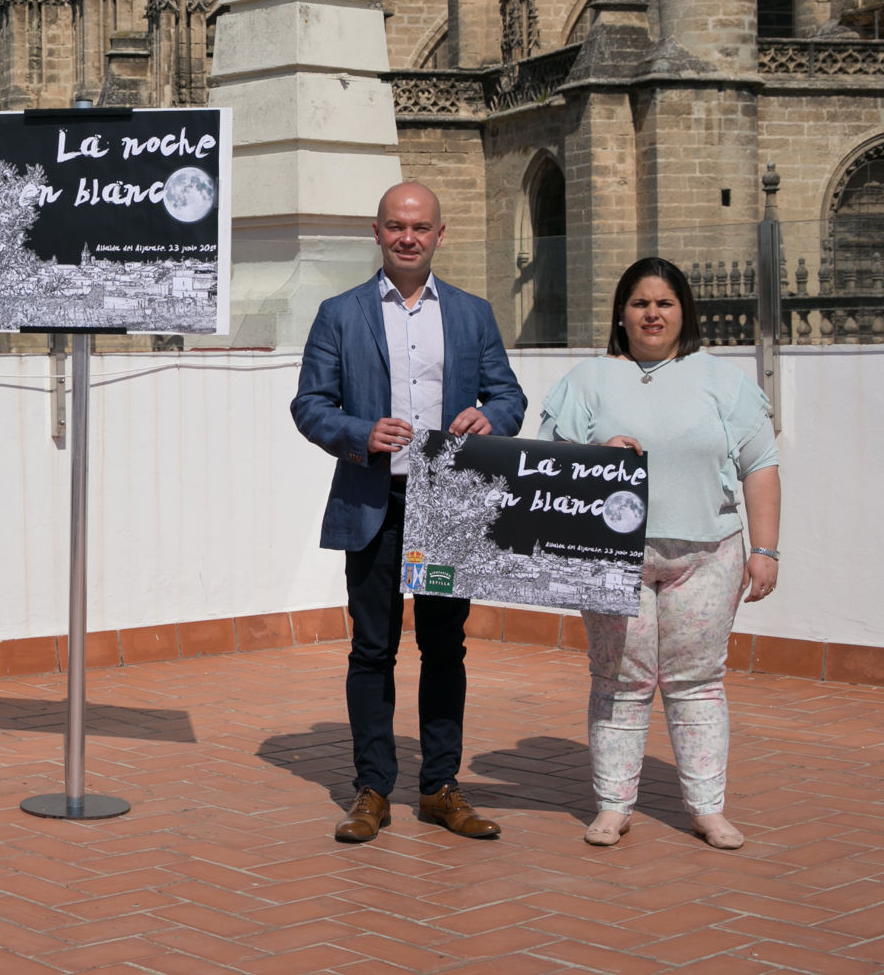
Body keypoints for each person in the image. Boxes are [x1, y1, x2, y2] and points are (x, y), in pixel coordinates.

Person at [290, 181, 527, 845]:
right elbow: (310, 404)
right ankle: (372, 788)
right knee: (373, 649)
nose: (408, 237)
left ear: (439, 235)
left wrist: (491, 417)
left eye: (420, 227)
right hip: (375, 500)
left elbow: (508, 395)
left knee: (445, 648)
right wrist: (361, 432)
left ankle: (440, 786)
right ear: (377, 231)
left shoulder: (473, 314)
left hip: (448, 504)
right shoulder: (339, 314)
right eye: (396, 225)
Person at [537, 257, 781, 851]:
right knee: (619, 680)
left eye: (664, 303)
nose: (652, 314)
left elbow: (760, 465)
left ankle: (707, 809)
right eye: (640, 303)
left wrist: (766, 549)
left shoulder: (721, 381)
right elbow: (547, 461)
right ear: (621, 313)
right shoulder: (588, 381)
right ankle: (613, 806)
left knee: (697, 681)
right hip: (612, 555)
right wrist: (598, 450)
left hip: (707, 553)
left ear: (683, 311)